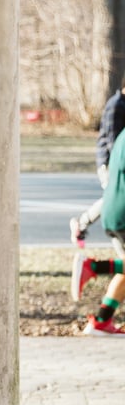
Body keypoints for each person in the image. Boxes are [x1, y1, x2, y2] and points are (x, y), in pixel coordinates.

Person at [71, 120, 125, 336]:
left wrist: (86, 220)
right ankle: (93, 267)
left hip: (113, 209)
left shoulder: (122, 135)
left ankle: (101, 322)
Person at [69, 84, 125, 248]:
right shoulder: (116, 105)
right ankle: (80, 223)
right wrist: (117, 163)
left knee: (114, 199)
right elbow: (111, 139)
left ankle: (82, 223)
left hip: (117, 161)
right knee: (113, 198)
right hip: (109, 161)